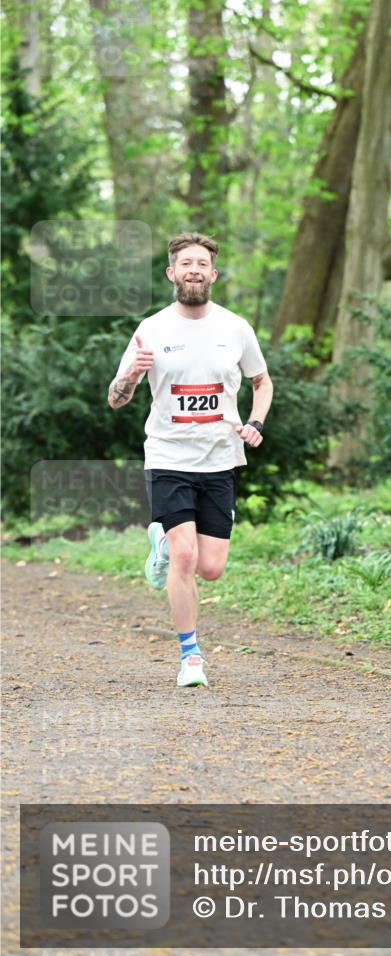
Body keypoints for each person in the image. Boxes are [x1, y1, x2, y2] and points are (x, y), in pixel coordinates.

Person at [108, 231, 273, 688]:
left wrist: (255, 423)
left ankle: (159, 543)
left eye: (202, 263)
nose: (194, 270)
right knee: (185, 558)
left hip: (220, 459)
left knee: (211, 567)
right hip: (167, 455)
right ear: (172, 273)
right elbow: (116, 399)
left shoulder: (236, 328)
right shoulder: (152, 330)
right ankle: (191, 657)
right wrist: (130, 374)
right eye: (186, 264)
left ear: (213, 274)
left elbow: (262, 381)